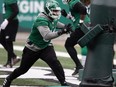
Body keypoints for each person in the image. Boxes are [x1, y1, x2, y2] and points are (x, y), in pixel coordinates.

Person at [2, 0, 72, 86]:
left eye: (57, 11)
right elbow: (47, 35)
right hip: (33, 48)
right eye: (54, 11)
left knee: (54, 62)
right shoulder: (41, 20)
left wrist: (66, 27)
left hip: (45, 46)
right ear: (48, 10)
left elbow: (56, 23)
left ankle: (63, 83)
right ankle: (9, 78)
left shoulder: (51, 18)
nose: (56, 13)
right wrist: (61, 32)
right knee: (23, 69)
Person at [61, 0, 90, 75]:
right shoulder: (73, 3)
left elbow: (83, 10)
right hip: (85, 26)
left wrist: (80, 22)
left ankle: (79, 66)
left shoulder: (73, 2)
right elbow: (76, 17)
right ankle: (80, 66)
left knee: (68, 44)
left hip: (82, 27)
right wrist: (67, 16)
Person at [0, 0, 21, 68]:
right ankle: (14, 57)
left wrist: (7, 20)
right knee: (1, 39)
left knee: (8, 41)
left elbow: (16, 11)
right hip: (7, 22)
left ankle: (9, 62)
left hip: (12, 22)